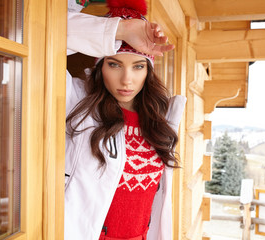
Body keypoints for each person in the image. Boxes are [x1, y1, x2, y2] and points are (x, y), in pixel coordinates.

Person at [65, 0, 186, 240]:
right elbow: (44, 32)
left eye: (138, 67)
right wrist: (120, 30)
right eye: (114, 64)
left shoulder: (159, 119)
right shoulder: (78, 104)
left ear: (148, 71)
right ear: (101, 67)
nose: (126, 80)